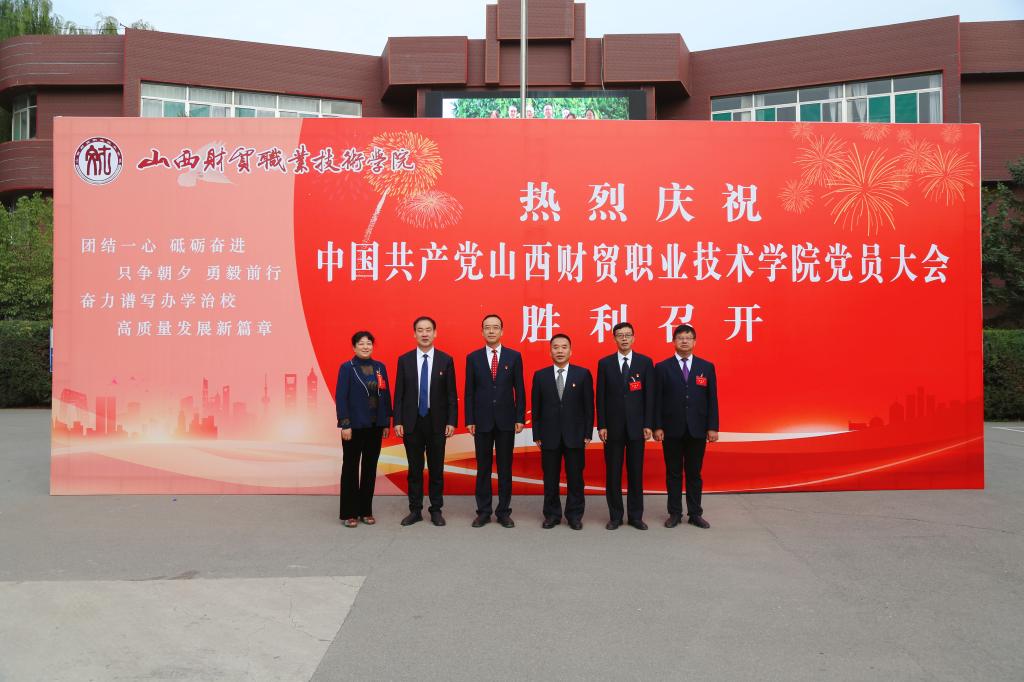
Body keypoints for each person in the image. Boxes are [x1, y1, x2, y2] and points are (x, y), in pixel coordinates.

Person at [393, 316, 458, 526]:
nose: (424, 334)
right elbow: (399, 393)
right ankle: (415, 510)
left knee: (436, 469)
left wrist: (451, 421)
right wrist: (397, 420)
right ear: (414, 334)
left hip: (437, 422)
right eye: (420, 330)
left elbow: (451, 394)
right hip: (411, 422)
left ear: (435, 333)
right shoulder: (405, 360)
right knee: (414, 469)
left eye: (428, 330)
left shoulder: (445, 360)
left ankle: (436, 510)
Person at [653, 323, 719, 529]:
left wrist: (712, 427)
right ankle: (674, 513)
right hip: (671, 429)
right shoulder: (662, 367)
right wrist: (657, 426)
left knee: (694, 473)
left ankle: (695, 513)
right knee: (673, 473)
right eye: (680, 337)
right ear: (674, 341)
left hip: (697, 428)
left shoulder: (706, 367)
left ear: (694, 342)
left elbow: (712, 399)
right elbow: (657, 399)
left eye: (688, 338)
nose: (684, 341)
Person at [465, 314, 526, 528]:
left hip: (506, 421)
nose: (491, 331)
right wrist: (470, 418)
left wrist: (520, 417)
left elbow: (519, 389)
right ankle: (483, 512)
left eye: (495, 327)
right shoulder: (473, 358)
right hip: (481, 421)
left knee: (505, 468)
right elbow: (469, 391)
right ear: (482, 331)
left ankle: (503, 512)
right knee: (483, 468)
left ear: (502, 331)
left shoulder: (513, 356)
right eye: (487, 328)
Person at [531, 334, 594, 530]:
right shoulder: (540, 376)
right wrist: (536, 434)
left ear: (570, 351)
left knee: (575, 478)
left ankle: (574, 515)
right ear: (550, 352)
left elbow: (589, 407)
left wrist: (588, 433)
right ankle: (552, 515)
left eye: (564, 347)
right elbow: (536, 408)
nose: (560, 351)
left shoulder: (582, 374)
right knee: (550, 479)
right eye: (556, 347)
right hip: (548, 436)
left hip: (575, 435)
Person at [596, 322, 654, 530]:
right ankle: (616, 516)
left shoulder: (645, 362)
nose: (624, 338)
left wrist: (648, 423)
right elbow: (600, 396)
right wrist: (602, 424)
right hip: (612, 428)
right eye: (620, 335)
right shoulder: (605, 363)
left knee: (635, 472)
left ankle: (636, 516)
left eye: (628, 335)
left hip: (637, 427)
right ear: (614, 339)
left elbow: (649, 396)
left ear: (634, 338)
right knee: (613, 473)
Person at [336, 331, 392, 528]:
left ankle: (365, 511)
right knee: (350, 469)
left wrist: (386, 422)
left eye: (369, 343)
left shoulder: (379, 367)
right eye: (361, 343)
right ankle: (349, 513)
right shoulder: (347, 368)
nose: (366, 346)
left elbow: (385, 396)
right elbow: (341, 397)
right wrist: (345, 424)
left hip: (375, 427)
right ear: (354, 347)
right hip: (354, 426)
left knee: (370, 469)